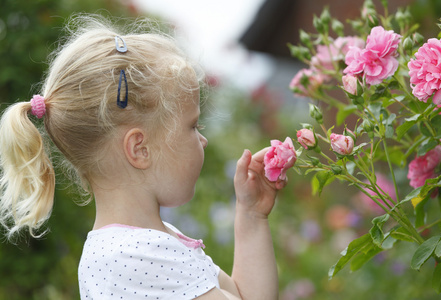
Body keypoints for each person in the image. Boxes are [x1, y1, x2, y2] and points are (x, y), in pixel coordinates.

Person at [0, 15, 288, 299]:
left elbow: (244, 295)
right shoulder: (134, 256)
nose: (203, 139)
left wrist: (250, 215)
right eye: (192, 126)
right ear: (140, 148)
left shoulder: (147, 243)